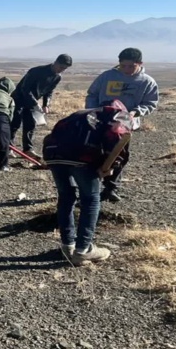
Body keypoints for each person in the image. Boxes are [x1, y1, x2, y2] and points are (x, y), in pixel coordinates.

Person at [42, 100, 133, 266]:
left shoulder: (82, 114)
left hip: (54, 155)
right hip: (83, 158)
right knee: (90, 200)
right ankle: (83, 250)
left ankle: (68, 246)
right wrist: (111, 167)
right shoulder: (119, 115)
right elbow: (119, 141)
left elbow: (53, 134)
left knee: (66, 197)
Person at [85, 47, 159, 202]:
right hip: (101, 118)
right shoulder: (107, 76)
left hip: (126, 121)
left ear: (140, 63)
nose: (126, 70)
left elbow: (150, 103)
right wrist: (93, 110)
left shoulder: (147, 81)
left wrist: (135, 112)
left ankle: (111, 188)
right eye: (123, 66)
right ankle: (90, 187)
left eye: (131, 66)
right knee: (95, 152)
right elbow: (92, 94)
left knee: (119, 154)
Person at [10, 54, 72, 158]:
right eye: (61, 67)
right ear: (56, 62)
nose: (62, 70)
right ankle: (9, 149)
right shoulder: (36, 71)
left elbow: (49, 91)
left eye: (65, 69)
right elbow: (25, 89)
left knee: (30, 125)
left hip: (33, 103)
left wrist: (45, 105)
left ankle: (27, 149)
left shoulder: (57, 77)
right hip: (19, 100)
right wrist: (35, 103)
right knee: (14, 124)